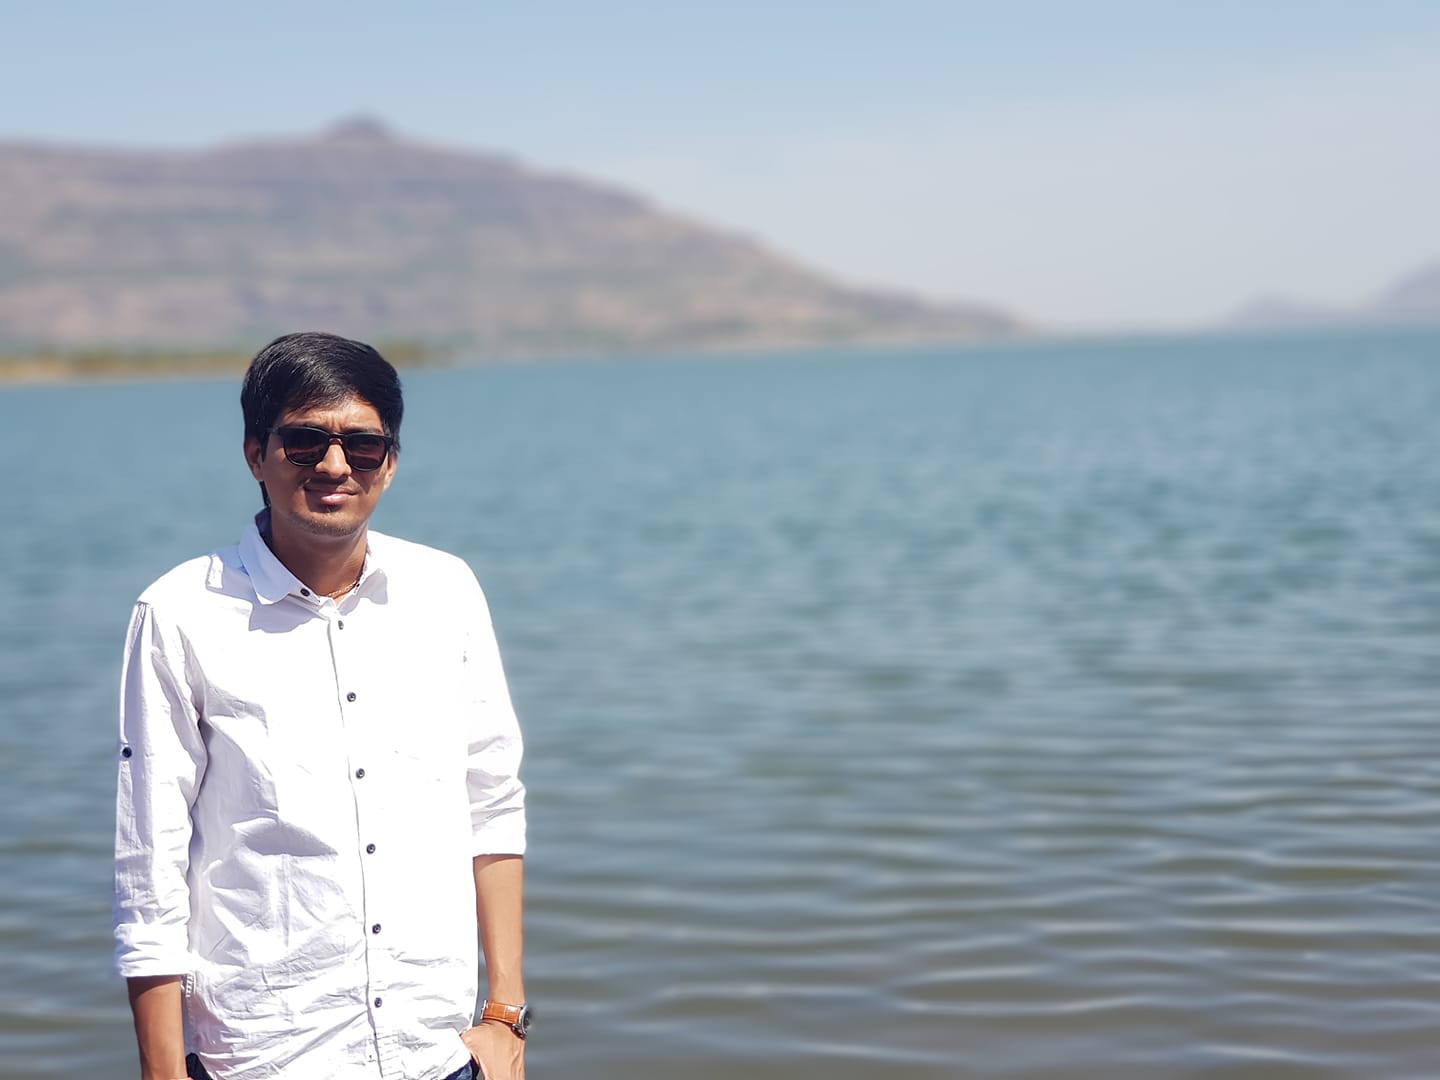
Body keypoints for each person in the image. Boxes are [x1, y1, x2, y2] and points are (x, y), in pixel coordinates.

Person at [113, 332, 531, 1080]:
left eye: (362, 446)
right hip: (264, 1056)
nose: (335, 465)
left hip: (436, 1055)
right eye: (305, 441)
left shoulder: (447, 592)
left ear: (390, 462)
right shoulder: (179, 614)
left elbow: (492, 803)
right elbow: (150, 862)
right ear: (256, 454)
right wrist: (163, 1070)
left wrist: (505, 1014)